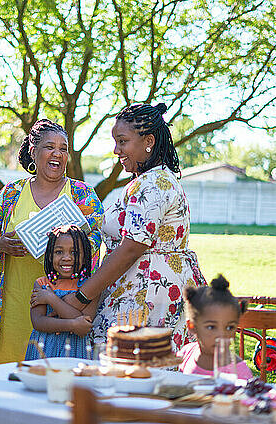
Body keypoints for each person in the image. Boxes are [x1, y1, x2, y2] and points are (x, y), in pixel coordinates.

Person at [64, 103, 206, 350]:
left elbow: (131, 248)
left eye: (122, 141)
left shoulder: (154, 183)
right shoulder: (149, 181)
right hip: (141, 290)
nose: (116, 150)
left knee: (134, 375)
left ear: (148, 141)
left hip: (146, 296)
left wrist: (82, 296)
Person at [0, 119, 104, 366]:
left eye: (64, 148)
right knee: (9, 376)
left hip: (63, 307)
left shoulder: (82, 194)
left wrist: (61, 245)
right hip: (14, 305)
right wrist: (3, 244)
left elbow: (96, 246)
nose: (58, 153)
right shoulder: (11, 193)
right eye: (49, 147)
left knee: (56, 378)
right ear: (34, 151)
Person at [25, 225, 97, 360]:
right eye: (59, 252)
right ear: (50, 256)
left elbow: (85, 325)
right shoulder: (41, 284)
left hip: (74, 351)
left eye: (74, 253)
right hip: (44, 350)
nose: (66, 258)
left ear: (85, 256)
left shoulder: (90, 286)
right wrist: (73, 325)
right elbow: (38, 322)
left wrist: (51, 299)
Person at [177, 275, 252, 379]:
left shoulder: (239, 372)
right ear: (192, 326)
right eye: (211, 327)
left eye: (230, 327)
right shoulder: (186, 354)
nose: (222, 335)